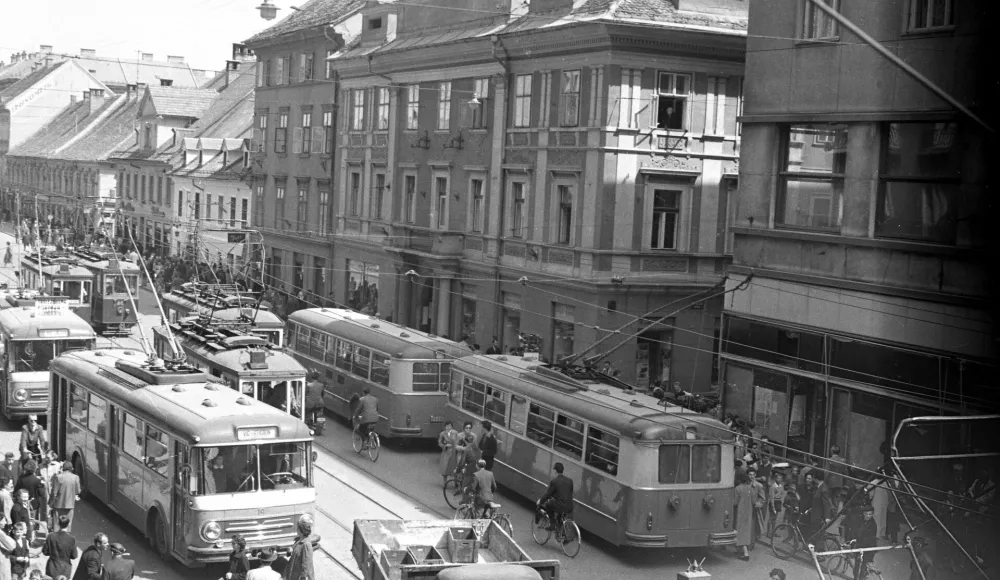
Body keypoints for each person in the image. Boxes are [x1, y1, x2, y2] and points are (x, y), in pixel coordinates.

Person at [537, 463, 574, 528]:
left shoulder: (554, 481)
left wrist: (540, 501)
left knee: (548, 505)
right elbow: (569, 492)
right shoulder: (570, 481)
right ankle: (560, 530)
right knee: (560, 513)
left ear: (555, 471)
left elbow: (548, 494)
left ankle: (552, 524)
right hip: (570, 507)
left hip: (561, 506)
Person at [42, 515, 79, 580]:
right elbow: (74, 556)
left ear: (58, 523)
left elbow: (45, 552)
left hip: (52, 567)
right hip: (65, 569)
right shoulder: (71, 539)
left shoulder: (51, 536)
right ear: (69, 524)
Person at [48, 461, 80, 532]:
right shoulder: (76, 477)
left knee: (56, 524)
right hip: (70, 505)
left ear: (63, 468)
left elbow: (54, 492)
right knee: (68, 524)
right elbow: (78, 491)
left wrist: (50, 502)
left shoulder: (58, 477)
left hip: (58, 504)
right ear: (71, 468)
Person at [849, 504, 878, 580]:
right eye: (867, 514)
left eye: (870, 514)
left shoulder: (873, 525)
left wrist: (857, 540)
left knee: (863, 567)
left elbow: (869, 539)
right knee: (857, 566)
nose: (868, 516)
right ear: (863, 513)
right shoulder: (860, 520)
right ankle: (856, 577)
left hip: (868, 548)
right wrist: (853, 538)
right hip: (860, 546)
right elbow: (854, 530)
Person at [283, 515, 315, 580]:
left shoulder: (306, 544)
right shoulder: (298, 540)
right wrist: (290, 551)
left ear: (301, 530)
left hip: (299, 576)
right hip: (293, 573)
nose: (296, 529)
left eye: (298, 528)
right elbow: (293, 554)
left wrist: (302, 577)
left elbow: (306, 564)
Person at [734, 471, 755, 561]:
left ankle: (745, 553)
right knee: (746, 531)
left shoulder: (738, 488)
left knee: (740, 531)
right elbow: (754, 501)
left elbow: (735, 502)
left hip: (740, 512)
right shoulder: (750, 488)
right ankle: (741, 550)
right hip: (749, 512)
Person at [810, 470, 834, 544]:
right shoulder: (819, 487)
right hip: (815, 513)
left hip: (818, 516)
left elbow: (826, 504)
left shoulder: (823, 489)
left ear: (816, 478)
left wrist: (827, 517)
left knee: (817, 534)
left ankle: (818, 550)